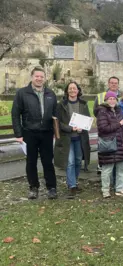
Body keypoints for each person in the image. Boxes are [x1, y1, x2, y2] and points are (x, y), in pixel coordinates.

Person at [11, 67, 58, 199]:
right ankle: (33, 187)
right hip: (29, 133)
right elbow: (15, 114)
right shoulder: (22, 93)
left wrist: (56, 130)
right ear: (32, 77)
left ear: (45, 78)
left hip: (47, 133)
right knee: (31, 162)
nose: (39, 78)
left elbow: (55, 113)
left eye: (41, 76)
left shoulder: (50, 94)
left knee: (48, 161)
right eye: (36, 76)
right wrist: (18, 134)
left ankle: (52, 187)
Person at [54, 82, 91, 199]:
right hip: (67, 138)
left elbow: (88, 119)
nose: (72, 90)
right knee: (70, 162)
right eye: (70, 88)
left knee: (78, 161)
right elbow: (58, 122)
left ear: (78, 90)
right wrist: (71, 128)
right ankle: (72, 186)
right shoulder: (61, 105)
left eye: (74, 88)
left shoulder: (83, 104)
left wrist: (83, 127)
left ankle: (74, 182)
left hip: (80, 138)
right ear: (67, 91)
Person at [95, 91, 123, 198]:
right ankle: (105, 191)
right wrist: (119, 124)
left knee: (121, 169)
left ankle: (119, 189)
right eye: (109, 98)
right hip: (108, 145)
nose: (112, 100)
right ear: (106, 100)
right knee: (107, 170)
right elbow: (103, 128)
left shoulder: (119, 111)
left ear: (116, 100)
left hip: (121, 144)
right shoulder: (102, 112)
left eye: (114, 98)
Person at [93, 77, 121, 176]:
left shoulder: (122, 96)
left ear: (118, 84)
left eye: (116, 83)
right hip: (105, 128)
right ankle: (100, 166)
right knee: (104, 147)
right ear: (108, 84)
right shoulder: (100, 96)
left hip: (118, 129)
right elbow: (95, 111)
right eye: (112, 83)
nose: (114, 84)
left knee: (117, 150)